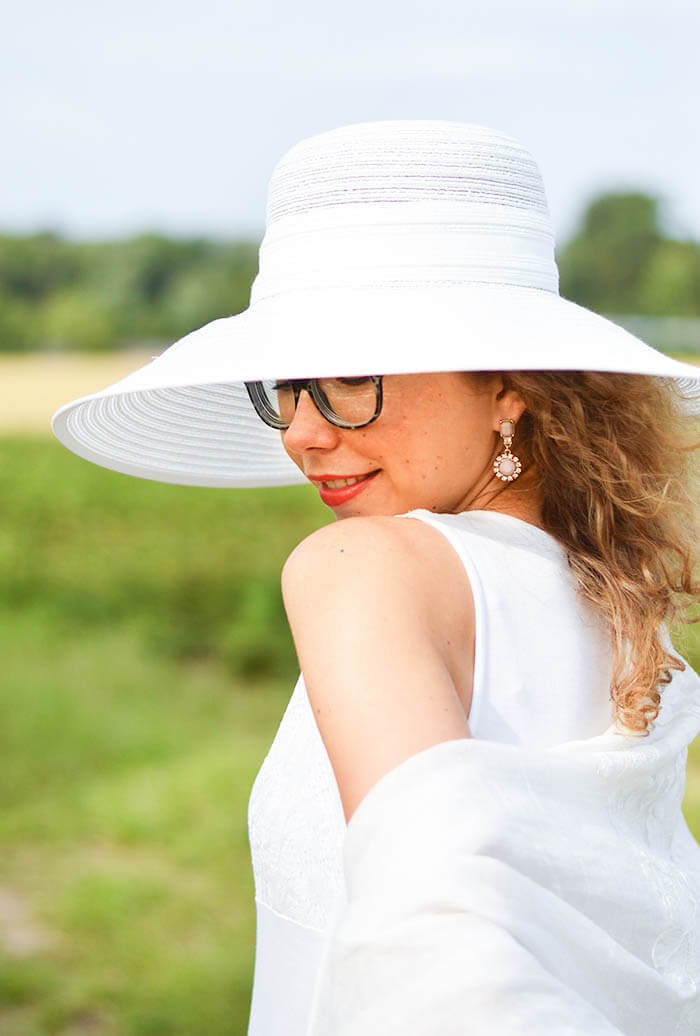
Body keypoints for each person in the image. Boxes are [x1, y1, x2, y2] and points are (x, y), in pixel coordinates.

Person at [53, 121, 700, 1034]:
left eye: (351, 376)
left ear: (510, 384)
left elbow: (435, 941)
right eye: (286, 383)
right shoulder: (620, 608)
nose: (300, 432)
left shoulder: (365, 567)